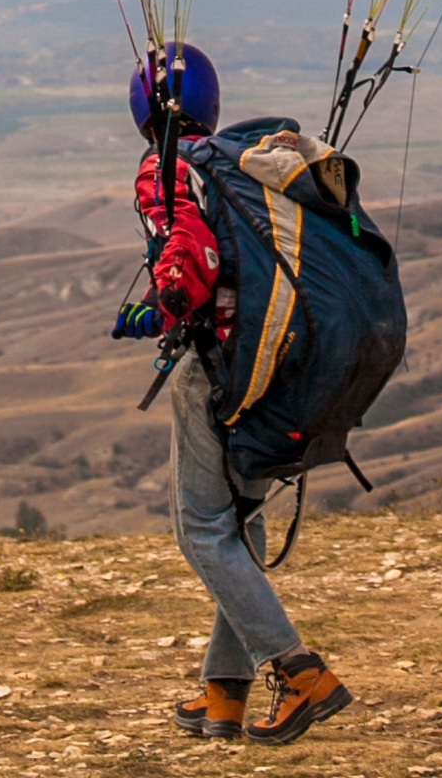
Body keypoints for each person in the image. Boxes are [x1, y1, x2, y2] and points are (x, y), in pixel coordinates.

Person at [122, 42, 350, 747]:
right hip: (278, 362)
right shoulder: (244, 166)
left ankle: (300, 670)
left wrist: (165, 304)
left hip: (218, 368)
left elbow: (192, 258)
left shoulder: (168, 168)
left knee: (201, 528)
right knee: (241, 519)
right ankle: (224, 693)